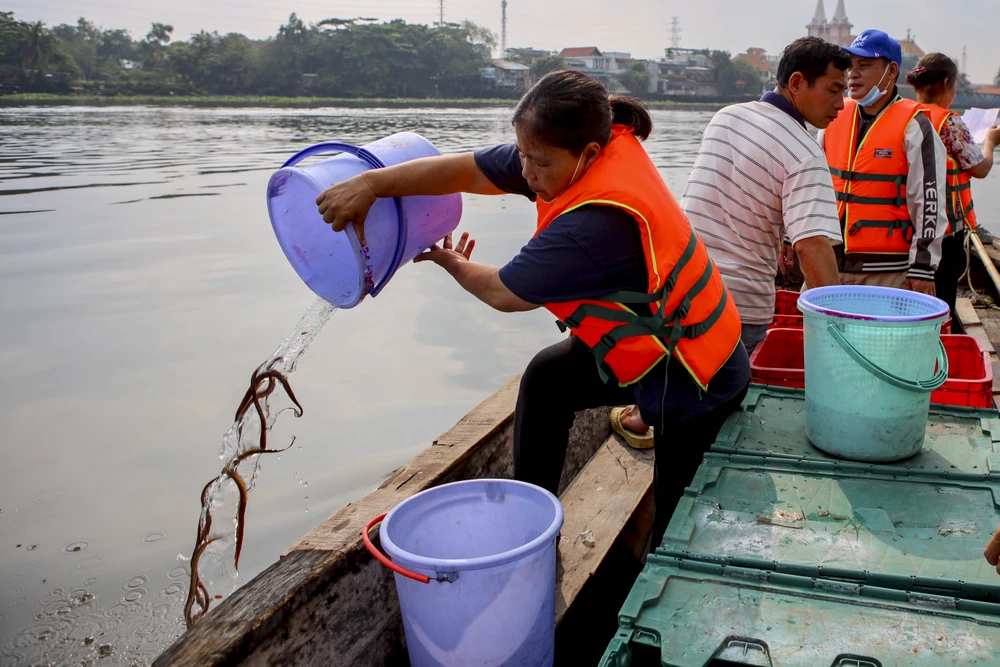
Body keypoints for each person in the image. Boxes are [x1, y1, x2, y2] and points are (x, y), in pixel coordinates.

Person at [315, 70, 750, 548]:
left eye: (537, 163)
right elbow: (469, 170)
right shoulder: (568, 154)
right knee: (547, 381)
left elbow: (504, 293)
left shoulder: (594, 225)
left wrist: (454, 263)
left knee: (670, 536)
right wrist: (373, 184)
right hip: (649, 340)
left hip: (694, 378)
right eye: (521, 153)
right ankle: (533, 529)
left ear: (586, 154)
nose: (525, 173)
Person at [614, 37, 848, 442]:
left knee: (682, 381)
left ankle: (646, 416)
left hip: (680, 286)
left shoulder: (726, 116)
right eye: (834, 90)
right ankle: (666, 433)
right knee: (709, 417)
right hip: (739, 308)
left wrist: (778, 241)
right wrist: (842, 330)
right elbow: (813, 249)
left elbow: (726, 198)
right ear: (797, 83)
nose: (841, 104)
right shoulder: (805, 153)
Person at [816, 29, 948, 294]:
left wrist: (922, 267)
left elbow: (929, 200)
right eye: (851, 66)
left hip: (886, 272)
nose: (853, 73)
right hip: (828, 263)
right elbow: (811, 182)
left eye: (864, 65)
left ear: (891, 70)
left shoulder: (915, 126)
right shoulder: (833, 116)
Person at [906, 53, 1000, 330]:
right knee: (943, 291)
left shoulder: (906, 114)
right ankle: (942, 339)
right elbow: (980, 168)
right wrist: (991, 142)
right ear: (947, 84)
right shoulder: (949, 123)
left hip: (909, 223)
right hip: (944, 227)